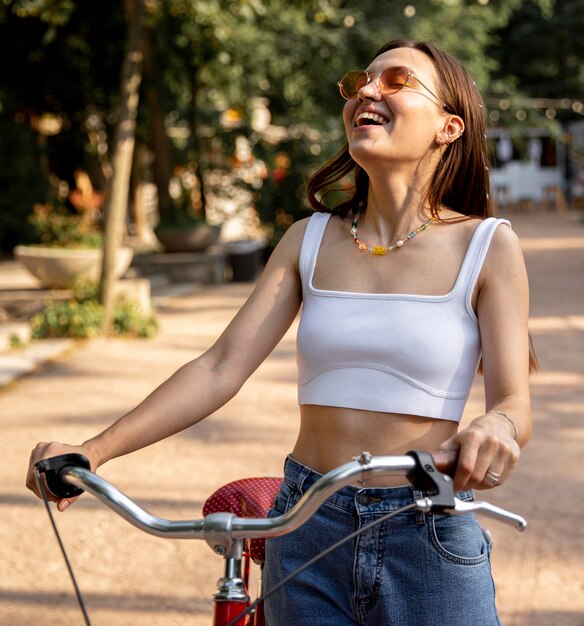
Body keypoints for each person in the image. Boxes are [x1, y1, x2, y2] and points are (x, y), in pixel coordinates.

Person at [27, 39, 534, 625]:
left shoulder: (489, 247)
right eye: (359, 82)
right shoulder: (308, 240)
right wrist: (91, 452)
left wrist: (497, 425)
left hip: (424, 527)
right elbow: (219, 368)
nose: (367, 91)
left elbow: (514, 402)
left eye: (396, 81)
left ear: (449, 127)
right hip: (304, 525)